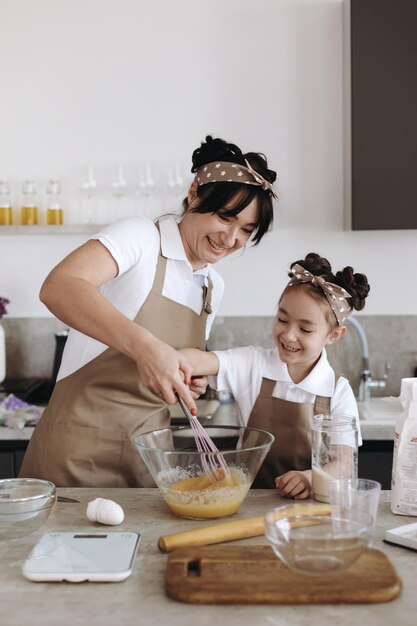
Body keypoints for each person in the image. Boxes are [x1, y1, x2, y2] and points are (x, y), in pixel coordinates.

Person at [19, 135, 277, 487]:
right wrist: (147, 348)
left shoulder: (213, 285)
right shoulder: (141, 237)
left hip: (148, 458)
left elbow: (165, 368)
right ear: (194, 193)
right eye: (224, 217)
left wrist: (186, 378)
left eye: (246, 230)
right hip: (76, 452)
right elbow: (59, 287)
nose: (230, 238)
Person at [180, 252, 370, 496]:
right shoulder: (254, 364)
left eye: (305, 328)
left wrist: (310, 478)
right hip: (246, 501)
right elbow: (201, 361)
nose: (289, 335)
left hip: (310, 510)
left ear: (333, 335)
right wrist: (175, 363)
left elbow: (344, 464)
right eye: (282, 319)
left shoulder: (338, 392)